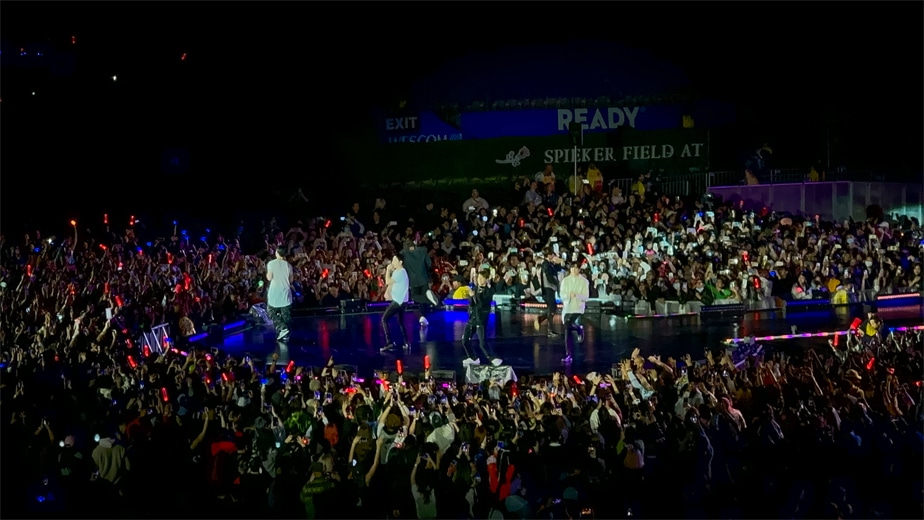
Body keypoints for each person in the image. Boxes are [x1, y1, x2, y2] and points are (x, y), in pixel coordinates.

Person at [462, 269, 503, 367]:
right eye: (478, 278)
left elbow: (481, 304)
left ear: (486, 279)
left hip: (481, 318)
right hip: (472, 318)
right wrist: (471, 297)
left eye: (482, 278)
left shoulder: (488, 291)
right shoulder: (475, 289)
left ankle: (492, 357)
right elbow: (471, 303)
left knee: (482, 342)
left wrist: (474, 296)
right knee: (465, 340)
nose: (479, 280)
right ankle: (473, 357)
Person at [401, 240, 438, 327]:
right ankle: (424, 313)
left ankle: (422, 317)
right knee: (421, 298)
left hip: (412, 281)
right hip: (423, 278)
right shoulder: (423, 250)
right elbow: (429, 264)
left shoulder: (403, 253)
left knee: (416, 300)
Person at [559, 261, 589, 364]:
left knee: (567, 325)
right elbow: (562, 295)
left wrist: (577, 295)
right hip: (567, 307)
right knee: (567, 327)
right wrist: (568, 296)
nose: (574, 270)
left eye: (576, 268)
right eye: (573, 268)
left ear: (579, 269)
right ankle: (578, 329)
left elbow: (586, 297)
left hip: (578, 308)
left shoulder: (584, 281)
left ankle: (568, 354)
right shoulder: (565, 281)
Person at [534, 247, 566, 337]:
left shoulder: (549, 264)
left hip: (550, 289)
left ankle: (541, 320)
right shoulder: (546, 264)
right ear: (549, 255)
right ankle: (549, 330)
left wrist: (559, 262)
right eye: (552, 254)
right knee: (552, 308)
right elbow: (548, 276)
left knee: (553, 308)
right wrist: (556, 282)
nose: (553, 256)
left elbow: (558, 269)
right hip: (548, 289)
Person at [381, 254, 410, 352]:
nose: (392, 262)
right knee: (400, 321)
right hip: (402, 301)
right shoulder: (400, 272)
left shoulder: (400, 272)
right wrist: (387, 292)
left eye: (394, 260)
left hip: (398, 301)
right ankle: (406, 342)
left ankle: (389, 342)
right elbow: (391, 284)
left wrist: (388, 270)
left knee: (384, 319)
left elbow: (388, 281)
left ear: (400, 262)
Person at [266, 245, 294, 341]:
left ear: (276, 253)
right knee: (286, 315)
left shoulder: (271, 264)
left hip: (275, 292)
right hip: (285, 292)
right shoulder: (289, 265)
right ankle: (286, 333)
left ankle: (283, 329)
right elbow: (291, 280)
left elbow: (269, 278)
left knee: (271, 312)